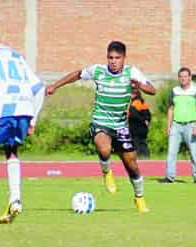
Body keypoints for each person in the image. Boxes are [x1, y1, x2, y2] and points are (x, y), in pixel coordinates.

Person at [46, 41, 155, 213]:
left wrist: (139, 85)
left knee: (132, 165)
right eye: (110, 58)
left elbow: (152, 90)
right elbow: (77, 74)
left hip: (120, 126)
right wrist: (55, 86)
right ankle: (107, 172)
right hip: (101, 122)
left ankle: (139, 198)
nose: (113, 61)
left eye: (117, 58)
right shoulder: (98, 70)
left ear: (124, 58)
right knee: (104, 149)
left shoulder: (131, 72)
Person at [0, 22, 45, 223]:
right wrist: (34, 119)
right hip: (24, 107)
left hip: (2, 107)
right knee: (12, 149)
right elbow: (40, 88)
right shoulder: (14, 54)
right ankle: (16, 199)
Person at [163, 67, 196, 183]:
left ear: (190, 78)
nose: (183, 79)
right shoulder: (174, 91)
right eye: (181, 76)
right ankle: (169, 177)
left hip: (190, 125)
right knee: (171, 152)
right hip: (176, 125)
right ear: (178, 78)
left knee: (194, 153)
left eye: (185, 76)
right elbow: (170, 109)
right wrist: (168, 126)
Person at [129, 87, 151, 159]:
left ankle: (138, 157)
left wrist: (142, 120)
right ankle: (146, 157)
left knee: (136, 143)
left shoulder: (134, 103)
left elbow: (133, 115)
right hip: (144, 128)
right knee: (143, 143)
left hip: (135, 127)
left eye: (132, 93)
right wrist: (146, 120)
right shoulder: (143, 103)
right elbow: (148, 114)